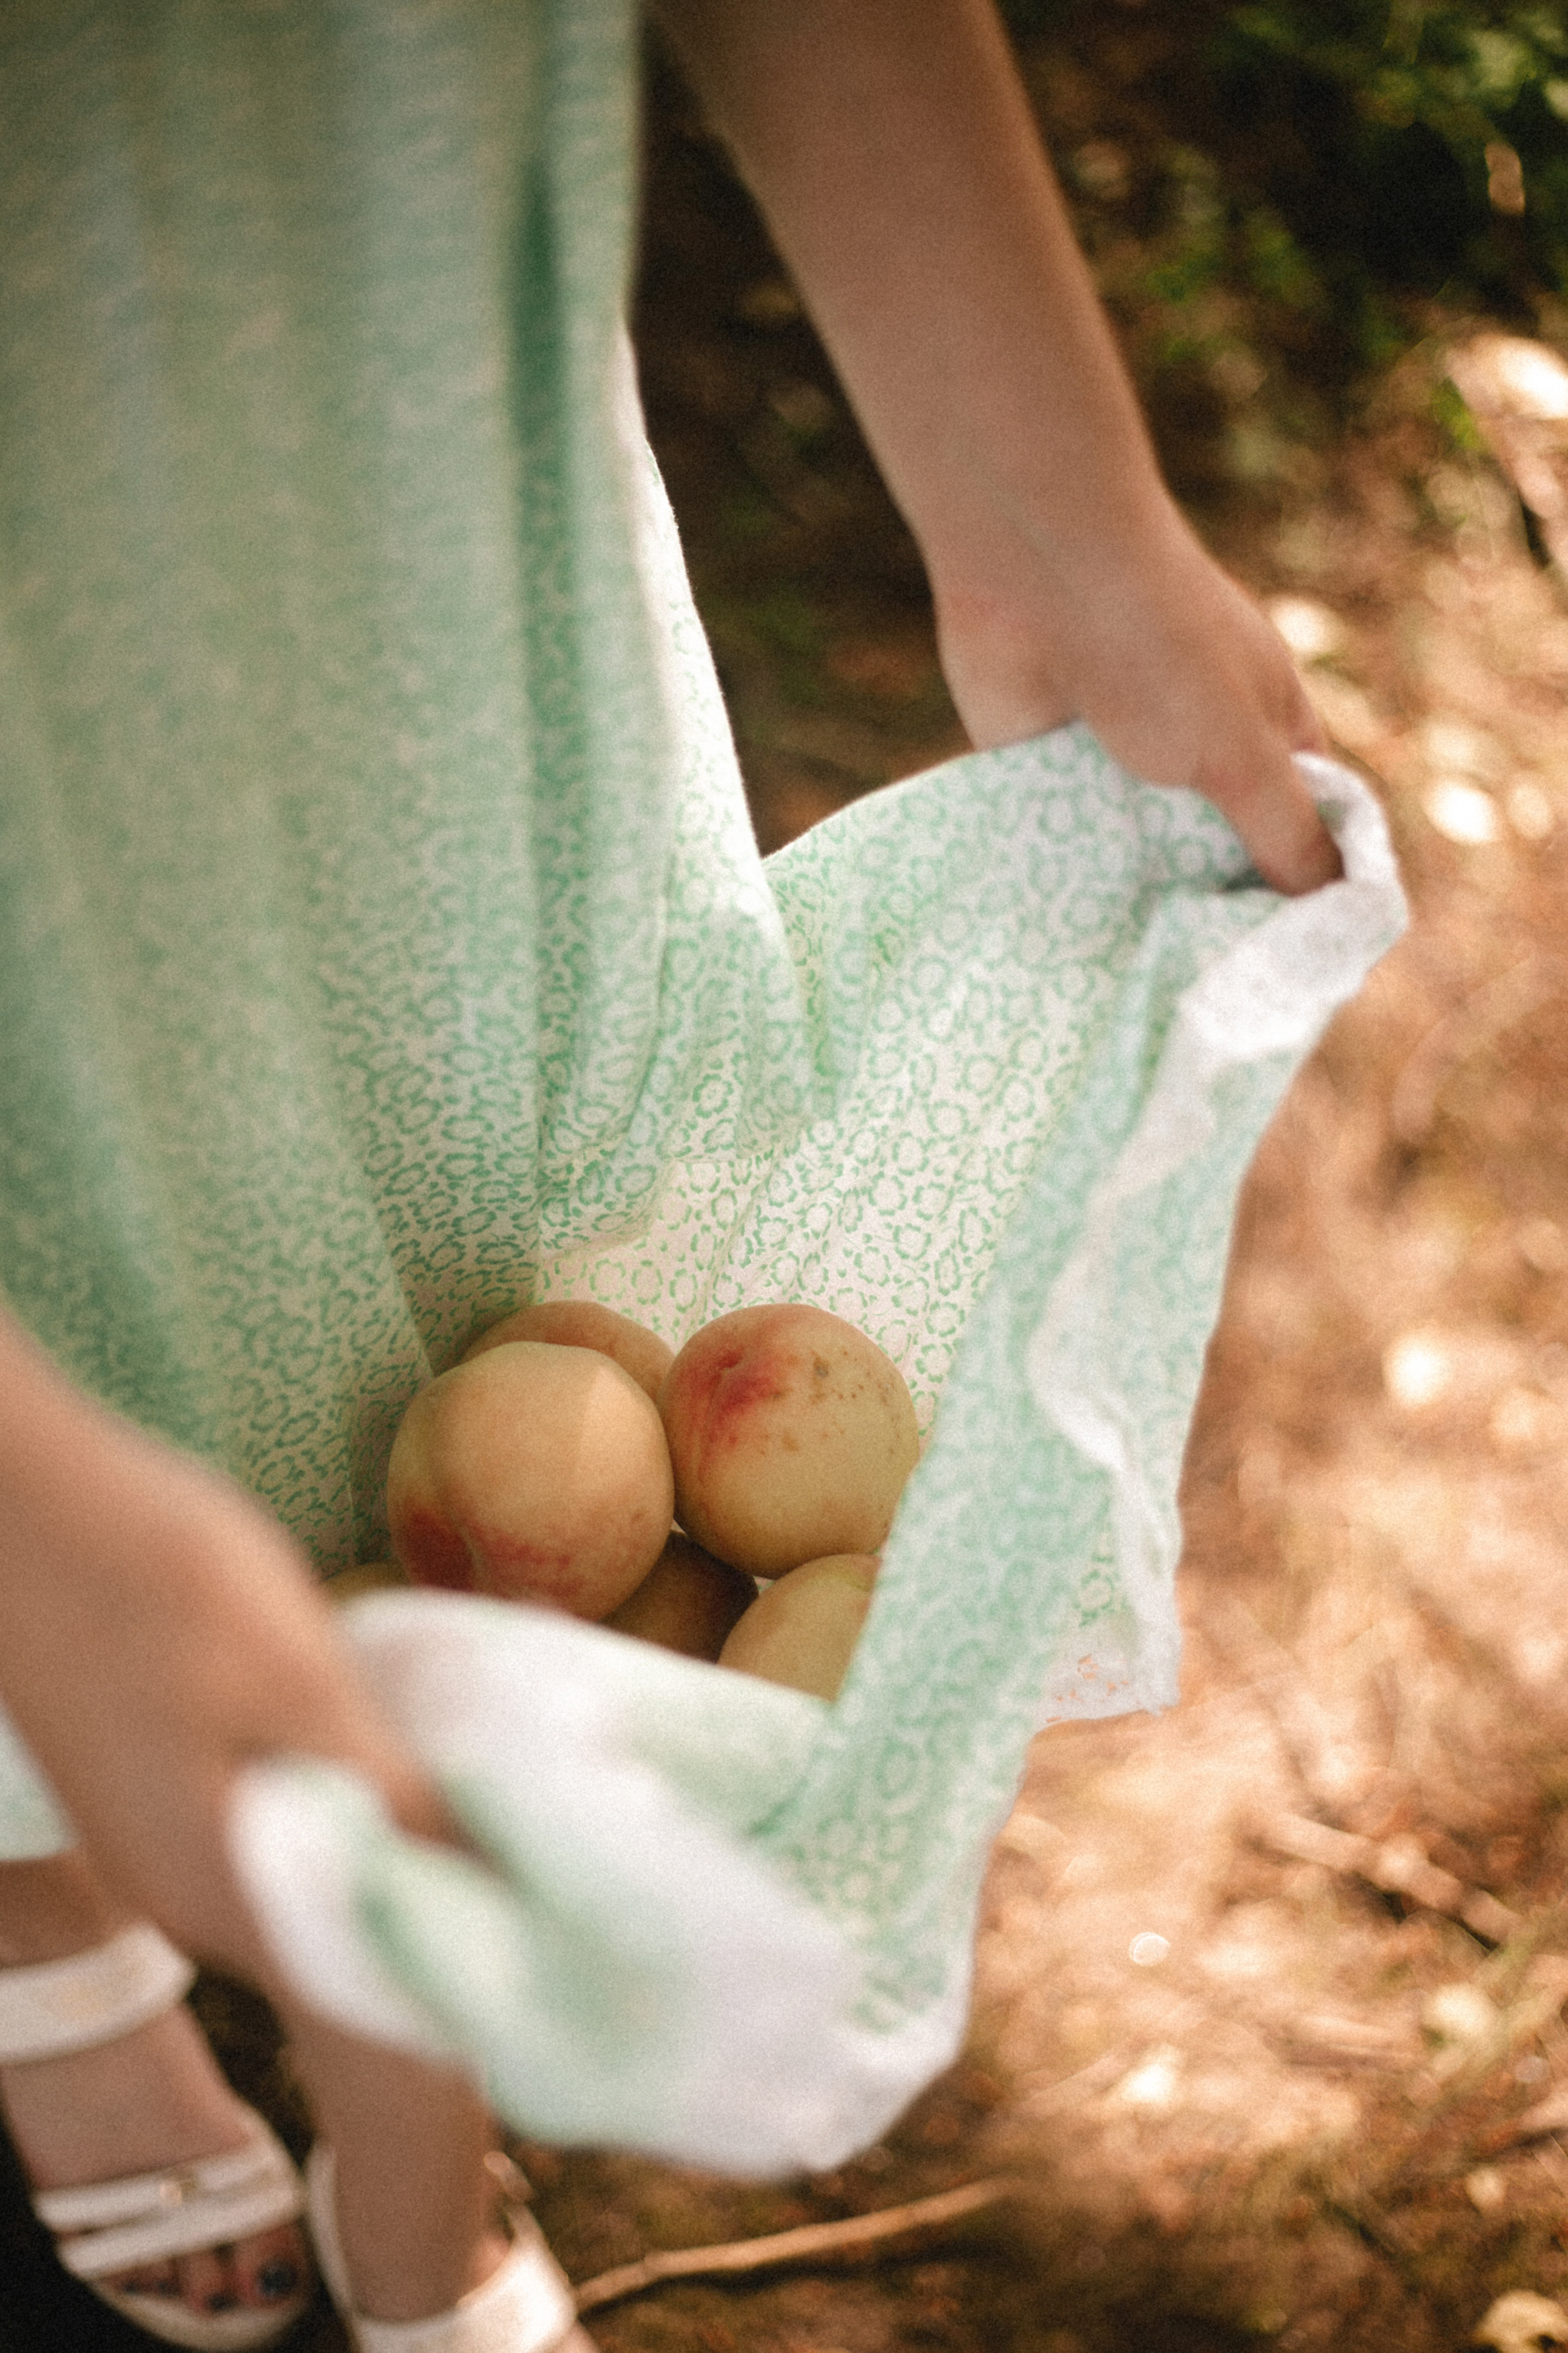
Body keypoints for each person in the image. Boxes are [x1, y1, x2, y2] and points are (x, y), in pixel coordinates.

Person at [0, 1, 1336, 2345]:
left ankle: (407, 2140)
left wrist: (1048, 502)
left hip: (398, 646)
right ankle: (49, 1947)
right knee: (82, 1580)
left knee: (390, 1597)